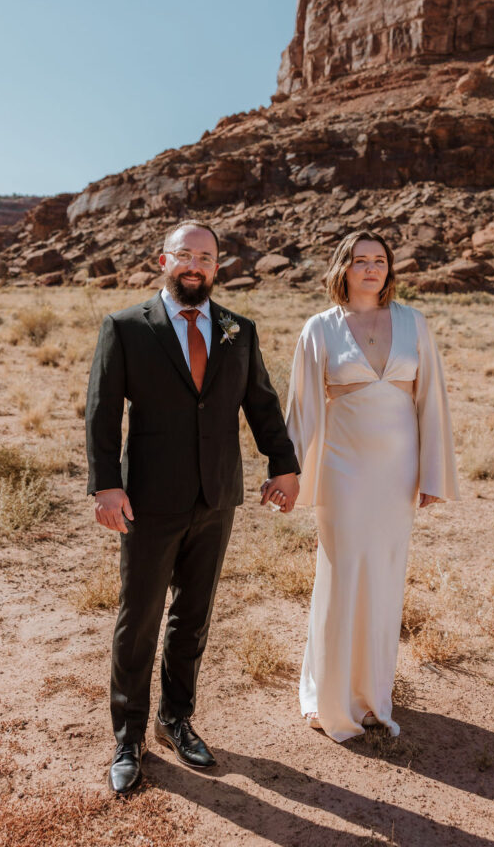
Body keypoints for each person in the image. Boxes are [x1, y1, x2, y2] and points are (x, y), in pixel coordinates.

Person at [86, 219, 299, 794]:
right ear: (163, 260)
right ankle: (127, 736)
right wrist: (107, 485)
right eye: (186, 254)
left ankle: (176, 718)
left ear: (217, 266)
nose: (195, 265)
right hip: (147, 500)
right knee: (140, 618)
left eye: (206, 257)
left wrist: (284, 465)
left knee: (193, 615)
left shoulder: (238, 329)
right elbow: (102, 413)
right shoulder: (127, 326)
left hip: (217, 495)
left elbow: (262, 403)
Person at [285, 230, 459, 743]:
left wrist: (431, 474)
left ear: (389, 268)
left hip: (397, 472)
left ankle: (370, 698)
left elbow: (432, 401)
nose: (370, 268)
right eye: (359, 260)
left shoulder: (413, 323)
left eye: (378, 260)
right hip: (343, 470)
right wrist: (288, 473)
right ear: (343, 268)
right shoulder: (319, 329)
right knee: (340, 576)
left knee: (385, 578)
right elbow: (303, 409)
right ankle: (329, 697)